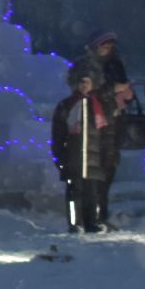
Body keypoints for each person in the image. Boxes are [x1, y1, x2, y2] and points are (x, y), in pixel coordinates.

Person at [78, 30, 134, 229]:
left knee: (108, 170)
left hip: (113, 123)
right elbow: (86, 91)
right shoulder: (86, 65)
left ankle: (102, 213)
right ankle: (90, 217)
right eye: (104, 46)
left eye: (110, 46)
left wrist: (125, 92)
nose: (107, 50)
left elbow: (121, 87)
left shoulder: (115, 64)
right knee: (92, 172)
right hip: (93, 124)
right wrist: (113, 90)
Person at [51, 65, 113, 233]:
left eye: (87, 82)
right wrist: (60, 157)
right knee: (74, 194)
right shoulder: (67, 105)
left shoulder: (100, 106)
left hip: (94, 159)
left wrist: (107, 157)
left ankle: (92, 221)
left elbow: (107, 135)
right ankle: (75, 223)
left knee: (93, 193)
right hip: (73, 158)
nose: (84, 86)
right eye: (81, 82)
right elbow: (58, 134)